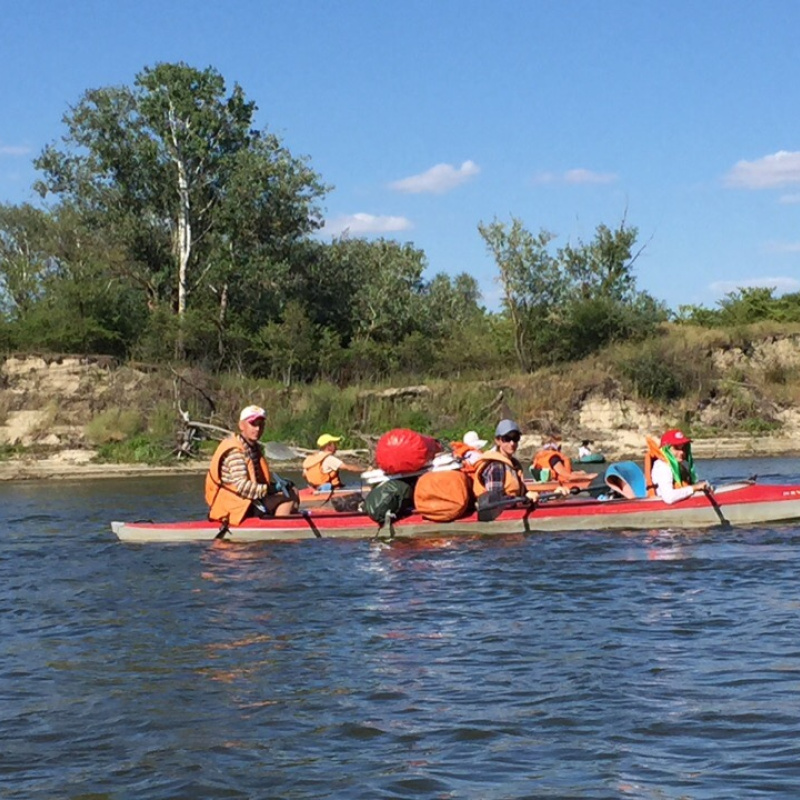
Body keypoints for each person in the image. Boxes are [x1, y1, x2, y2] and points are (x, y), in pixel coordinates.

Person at [205, 405, 299, 525]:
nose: (257, 428)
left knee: (293, 491)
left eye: (261, 424)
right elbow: (242, 487)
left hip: (248, 501)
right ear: (241, 426)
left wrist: (278, 486)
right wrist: (269, 489)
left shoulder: (252, 448)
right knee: (288, 498)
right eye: (253, 424)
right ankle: (280, 534)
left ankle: (286, 522)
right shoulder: (235, 452)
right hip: (235, 506)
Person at [473, 419, 542, 503]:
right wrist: (525, 498)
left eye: (515, 438)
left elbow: (521, 494)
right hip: (500, 514)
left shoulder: (513, 465)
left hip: (514, 509)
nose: (512, 443)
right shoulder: (496, 466)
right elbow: (494, 501)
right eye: (507, 438)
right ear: (498, 441)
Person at [645, 428, 712, 504]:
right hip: (663, 508)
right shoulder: (662, 467)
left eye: (683, 448)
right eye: (676, 448)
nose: (681, 452)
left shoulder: (680, 465)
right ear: (666, 450)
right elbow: (669, 498)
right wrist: (694, 488)